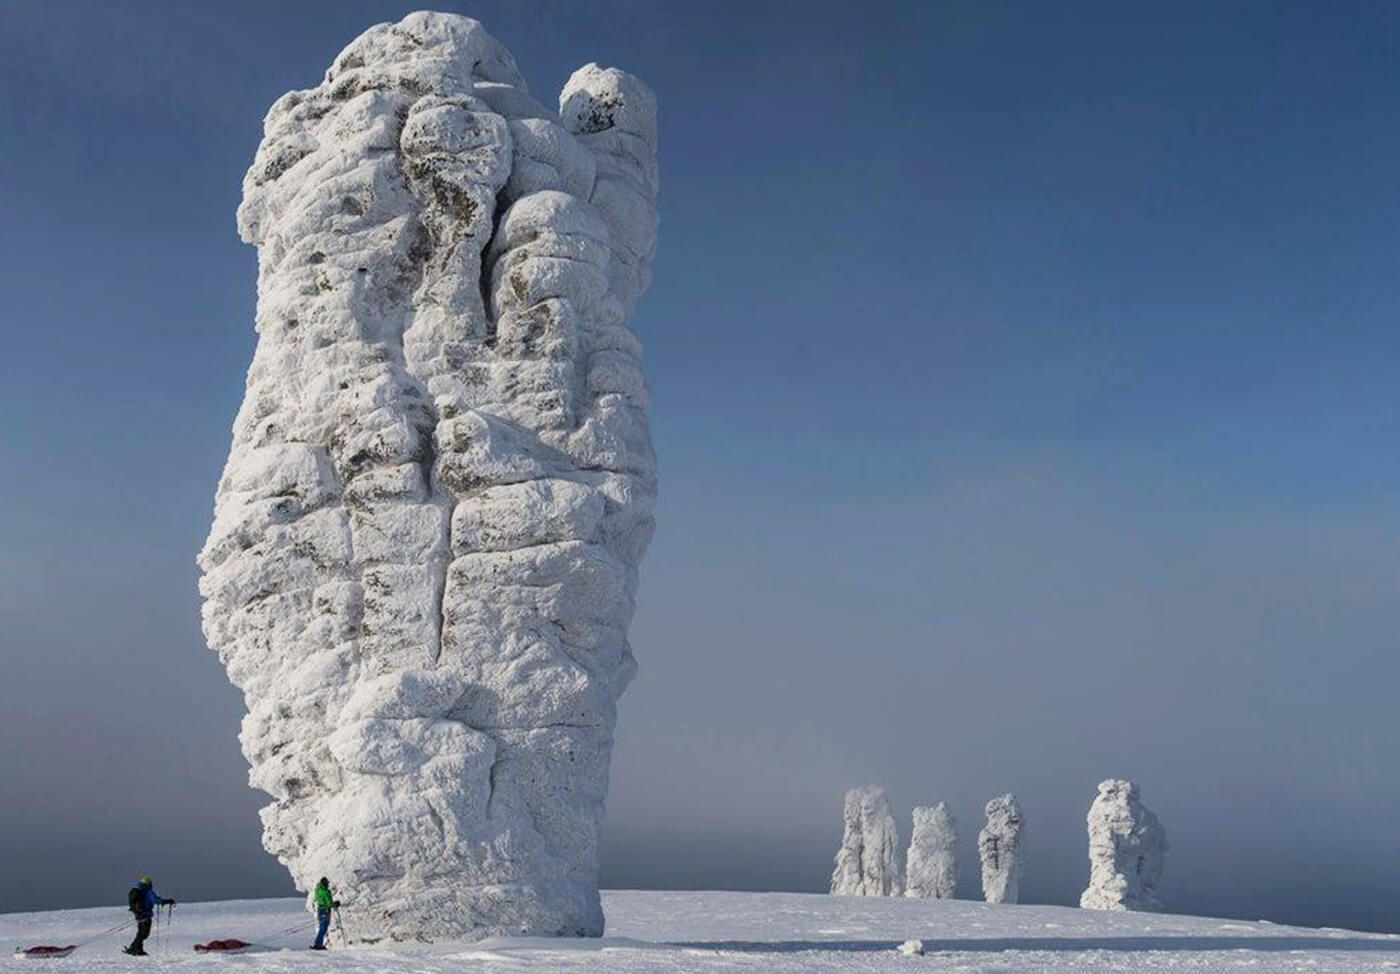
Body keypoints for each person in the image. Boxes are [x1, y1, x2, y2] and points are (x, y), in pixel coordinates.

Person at [123, 876, 175, 956]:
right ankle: (134, 948)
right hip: (146, 915)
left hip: (138, 914)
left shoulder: (139, 891)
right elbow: (156, 900)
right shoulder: (148, 892)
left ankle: (138, 949)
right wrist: (167, 901)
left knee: (141, 932)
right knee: (144, 934)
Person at [310, 877, 340, 950]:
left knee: (321, 927)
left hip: (320, 909)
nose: (328, 885)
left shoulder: (317, 890)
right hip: (325, 910)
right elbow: (329, 903)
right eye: (327, 883)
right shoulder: (325, 892)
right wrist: (335, 904)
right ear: (325, 883)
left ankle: (318, 944)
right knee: (323, 928)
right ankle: (318, 945)